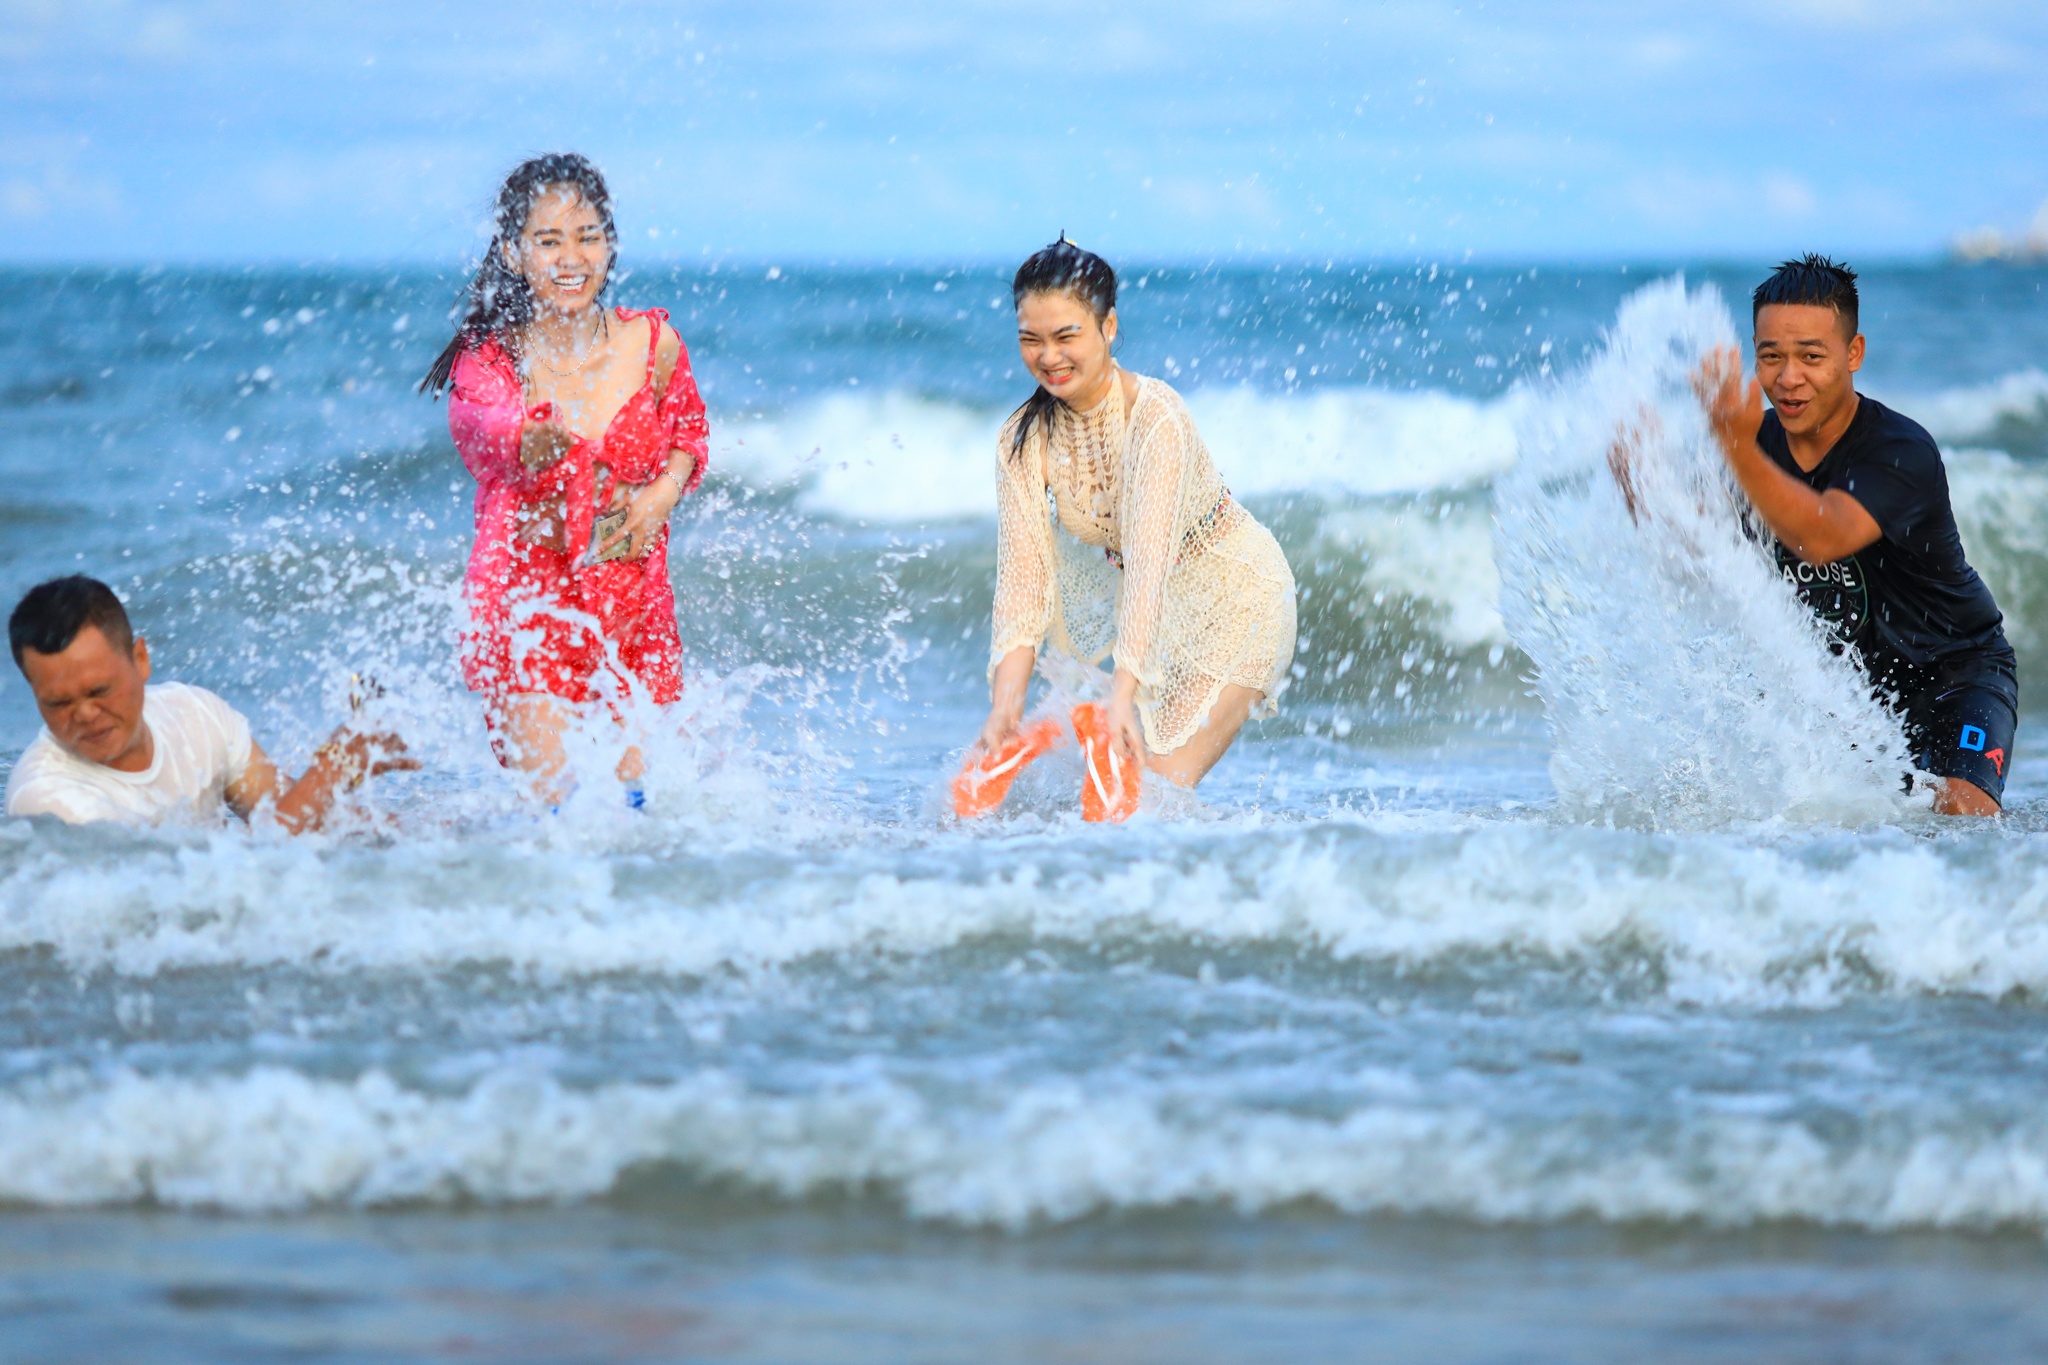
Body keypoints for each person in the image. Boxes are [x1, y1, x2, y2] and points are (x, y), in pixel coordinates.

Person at [1624, 254, 2017, 815]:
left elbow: (1825, 535)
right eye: (1770, 357)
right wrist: (1638, 484)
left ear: (1852, 354)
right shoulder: (1752, 444)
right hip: (1848, 698)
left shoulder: (1901, 452)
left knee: (1962, 812)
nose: (1788, 378)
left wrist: (1735, 449)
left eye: (1811, 356)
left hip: (1956, 676)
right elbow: (1697, 550)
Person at [973, 237, 1297, 813]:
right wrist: (1006, 703)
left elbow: (1147, 567)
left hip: (1236, 600)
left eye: (1066, 335)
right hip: (1152, 616)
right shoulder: (1021, 441)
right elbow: (1024, 585)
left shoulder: (1157, 417)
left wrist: (1126, 691)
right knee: (1107, 798)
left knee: (1156, 796)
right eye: (1031, 339)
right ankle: (1057, 744)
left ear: (1109, 327)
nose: (1049, 356)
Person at [421, 153, 708, 800]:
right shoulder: (494, 355)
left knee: (633, 814)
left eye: (587, 237)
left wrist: (662, 494)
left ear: (611, 245)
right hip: (529, 602)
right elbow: (479, 428)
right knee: (561, 816)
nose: (570, 257)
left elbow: (689, 434)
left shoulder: (654, 343)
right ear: (515, 253)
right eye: (548, 241)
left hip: (634, 606)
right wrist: (528, 437)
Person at [4, 576, 411, 831]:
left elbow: (295, 817)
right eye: (58, 702)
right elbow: (254, 870)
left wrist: (434, 835)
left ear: (140, 659)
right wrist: (334, 765)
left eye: (99, 691)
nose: (85, 714)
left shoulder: (194, 714)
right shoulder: (48, 800)